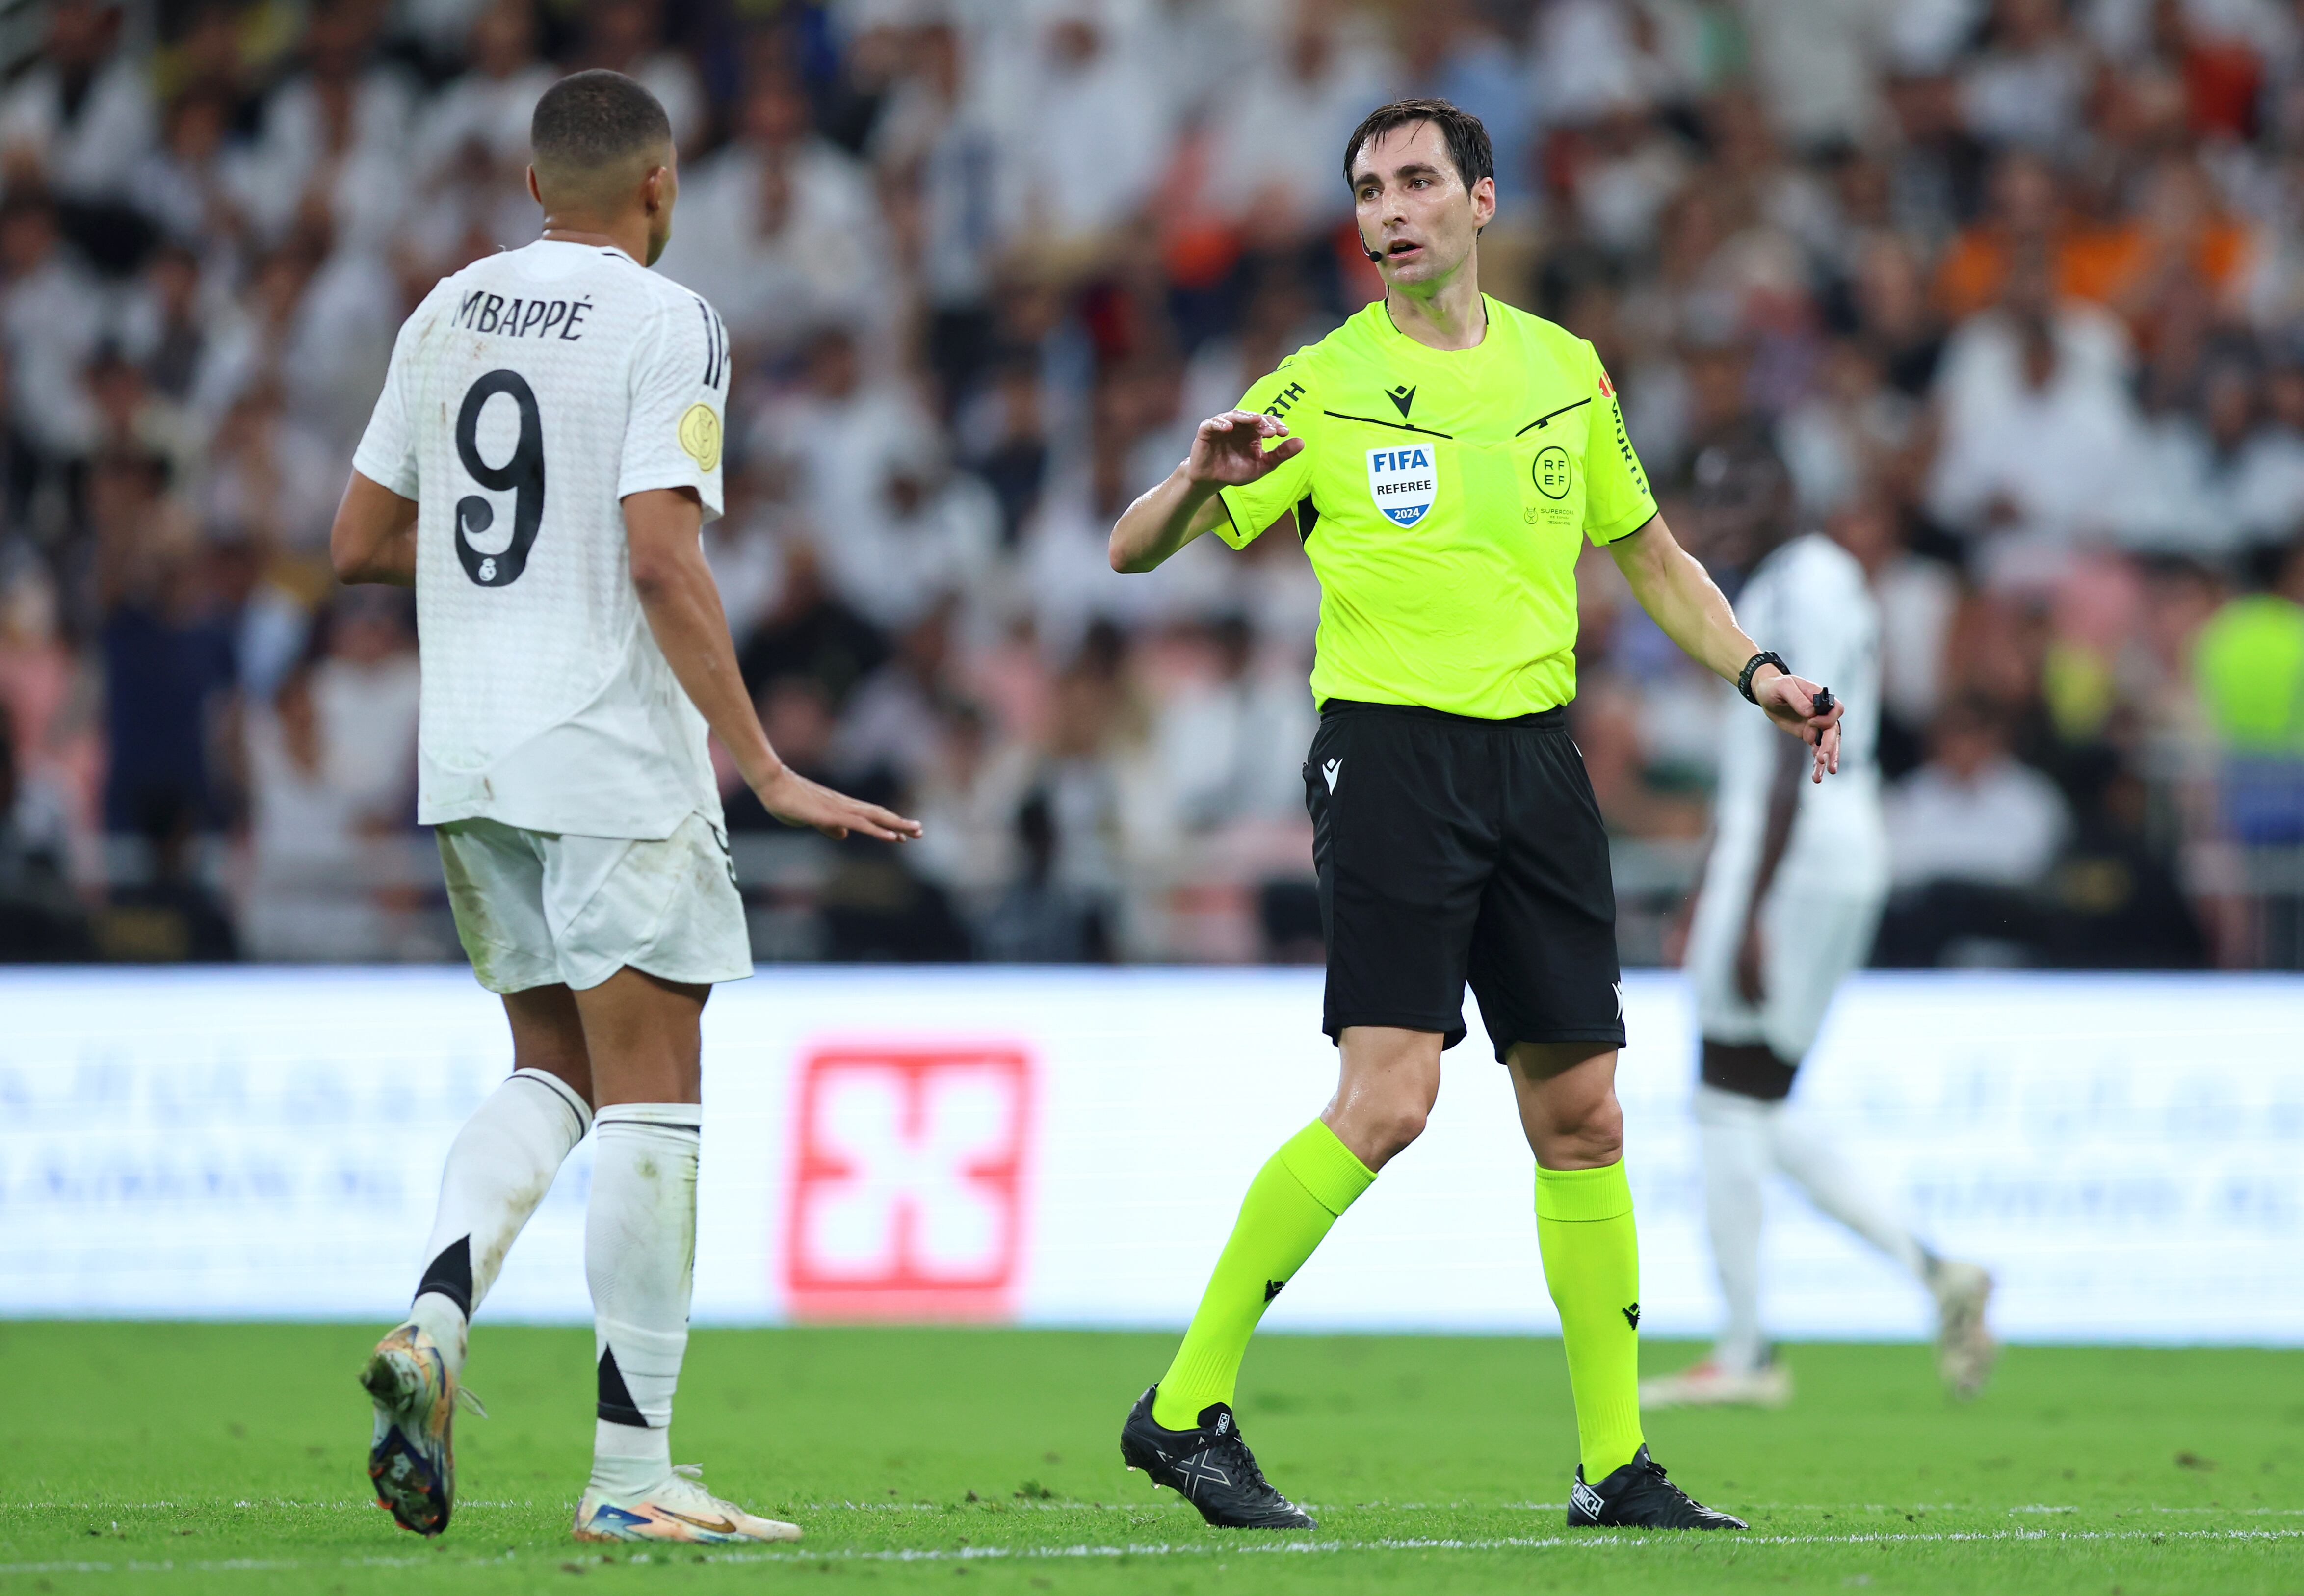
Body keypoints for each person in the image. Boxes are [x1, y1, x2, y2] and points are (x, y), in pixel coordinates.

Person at [1104, 97, 1841, 1535]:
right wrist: (1196, 476)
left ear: (1482, 201)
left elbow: (1653, 554)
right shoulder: (1317, 388)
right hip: (1390, 760)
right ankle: (1185, 1407)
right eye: (1371, 189)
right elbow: (1130, 553)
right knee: (1389, 1102)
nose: (1392, 209)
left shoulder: (1566, 373)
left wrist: (1759, 670)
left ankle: (1615, 1465)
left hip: (1537, 766)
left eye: (1419, 181)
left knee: (1584, 1117)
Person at [329, 69, 918, 1548]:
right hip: (606, 748)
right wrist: (768, 765)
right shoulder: (672, 318)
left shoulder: (445, 307)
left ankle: (436, 1318)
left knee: (554, 1069)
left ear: (537, 186)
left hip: (471, 750)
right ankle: (632, 1467)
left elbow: (354, 541)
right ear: (658, 189)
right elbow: (662, 559)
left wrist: (505, 589)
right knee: (656, 1088)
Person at [1641, 444, 1997, 1413]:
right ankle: (1934, 1268)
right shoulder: (1815, 579)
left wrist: (1747, 900)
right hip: (1823, 849)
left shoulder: (1801, 588)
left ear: (1785, 493)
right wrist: (1707, 886)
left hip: (1796, 855)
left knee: (1720, 1096)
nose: (1718, 521)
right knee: (1752, 1101)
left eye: (1738, 498)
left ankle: (1746, 1349)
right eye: (1705, 504)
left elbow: (1807, 733)